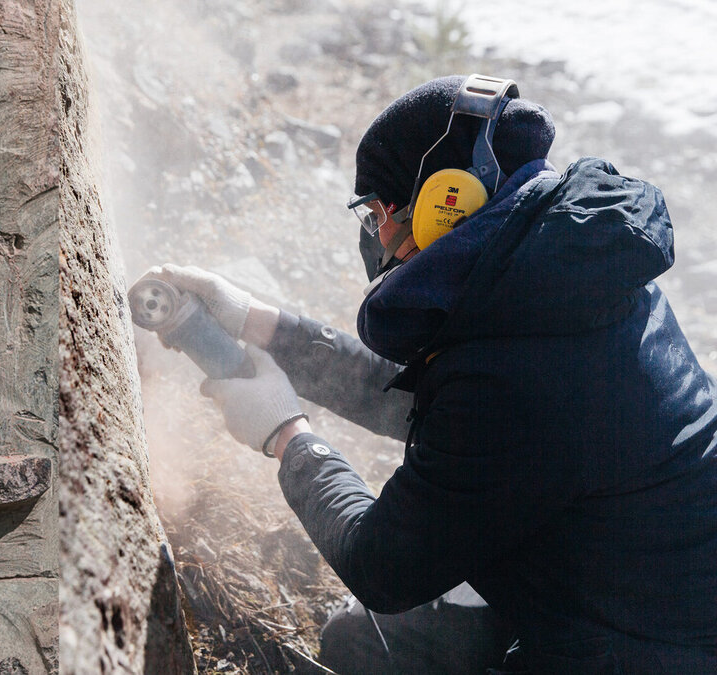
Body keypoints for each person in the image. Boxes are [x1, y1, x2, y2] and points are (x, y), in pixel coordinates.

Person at [142, 75, 717, 673]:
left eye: (378, 213)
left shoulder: (516, 369)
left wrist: (286, 434)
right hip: (628, 593)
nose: (377, 234)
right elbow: (432, 404)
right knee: (357, 640)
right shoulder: (560, 270)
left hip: (644, 652)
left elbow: (383, 569)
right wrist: (259, 321)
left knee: (369, 643)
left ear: (449, 202)